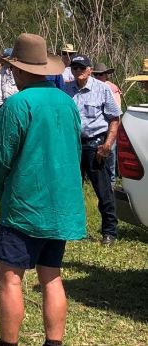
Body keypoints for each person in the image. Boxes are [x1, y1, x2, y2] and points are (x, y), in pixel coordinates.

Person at [0, 33, 85, 346]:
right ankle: (53, 343)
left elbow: (0, 158)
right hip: (60, 206)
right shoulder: (68, 104)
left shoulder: (17, 104)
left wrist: (2, 191)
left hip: (25, 205)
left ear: (17, 69)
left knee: (9, 276)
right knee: (51, 274)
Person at [62, 54, 121, 246]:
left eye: (82, 68)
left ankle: (109, 232)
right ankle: (73, 229)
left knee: (103, 191)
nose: (78, 71)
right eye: (75, 68)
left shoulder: (102, 89)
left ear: (89, 70)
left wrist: (107, 145)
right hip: (72, 146)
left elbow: (114, 118)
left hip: (96, 145)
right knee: (70, 189)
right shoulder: (66, 90)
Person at [92, 62, 122, 186]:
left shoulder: (112, 88)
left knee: (110, 155)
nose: (99, 76)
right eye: (97, 74)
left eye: (101, 74)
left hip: (110, 127)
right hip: (98, 128)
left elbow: (116, 112)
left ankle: (112, 183)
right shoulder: (93, 87)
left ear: (106, 75)